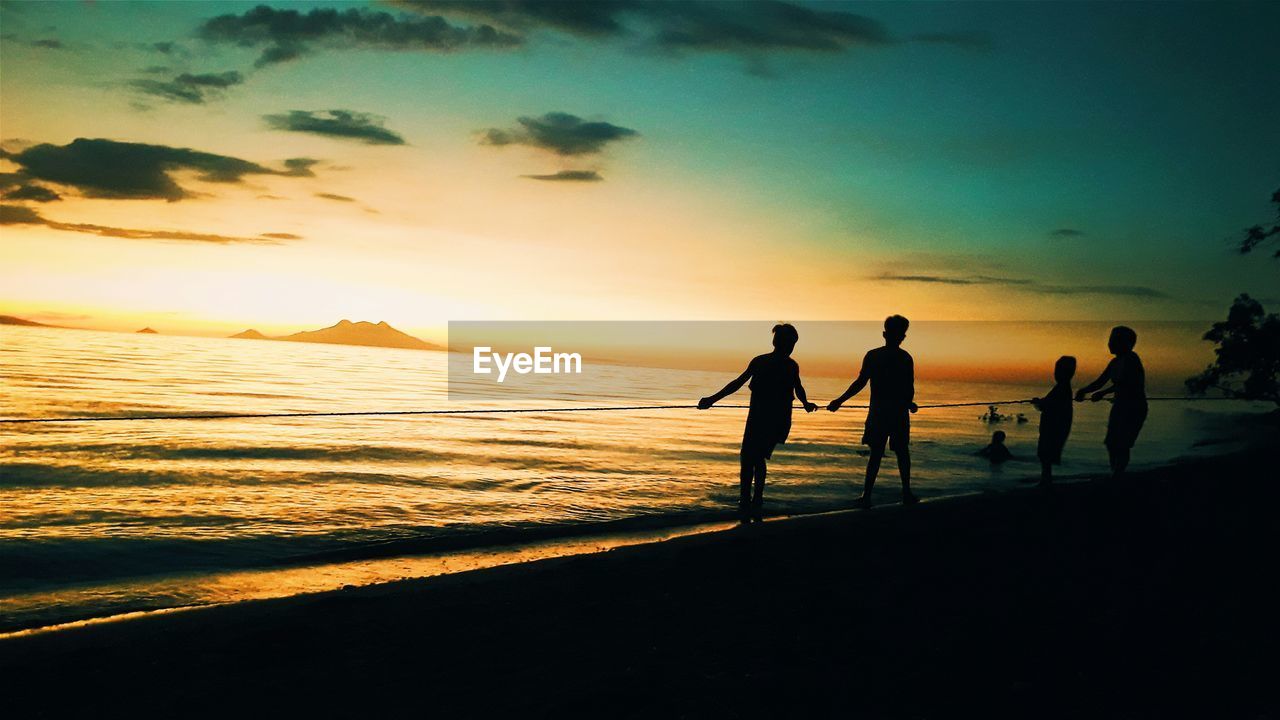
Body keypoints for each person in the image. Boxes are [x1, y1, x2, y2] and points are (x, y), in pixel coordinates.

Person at [699, 323, 817, 522]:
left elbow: (797, 388)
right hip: (771, 419)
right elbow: (797, 388)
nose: (790, 346)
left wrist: (712, 399)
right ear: (782, 343)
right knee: (756, 458)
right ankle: (754, 500)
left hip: (765, 418)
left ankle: (748, 501)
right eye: (790, 342)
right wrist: (712, 399)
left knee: (750, 457)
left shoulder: (773, 363)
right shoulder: (782, 364)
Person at [827, 315, 919, 508]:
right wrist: (909, 403)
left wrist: (839, 401)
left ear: (884, 334)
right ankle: (905, 492)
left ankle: (867, 495)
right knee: (901, 453)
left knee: (877, 454)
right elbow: (908, 387)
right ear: (902, 336)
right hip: (897, 413)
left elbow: (861, 383)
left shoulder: (874, 355)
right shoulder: (905, 358)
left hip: (880, 413)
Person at [1076, 326, 1147, 478]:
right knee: (1111, 442)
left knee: (1122, 443)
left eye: (1112, 340)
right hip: (1120, 406)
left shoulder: (1132, 359)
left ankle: (1118, 474)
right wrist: (1084, 390)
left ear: (1125, 343)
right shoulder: (1114, 362)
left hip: (1134, 407)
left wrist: (1102, 393)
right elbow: (1100, 381)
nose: (1109, 344)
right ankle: (1116, 471)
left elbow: (1126, 383)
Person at [1031, 355, 1076, 486]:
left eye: (1058, 370)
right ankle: (1046, 479)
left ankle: (1046, 480)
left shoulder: (1062, 388)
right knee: (1046, 454)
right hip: (1056, 425)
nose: (1056, 373)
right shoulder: (1063, 388)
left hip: (1053, 426)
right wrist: (1040, 402)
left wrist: (1038, 402)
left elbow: (1047, 405)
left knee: (1045, 453)